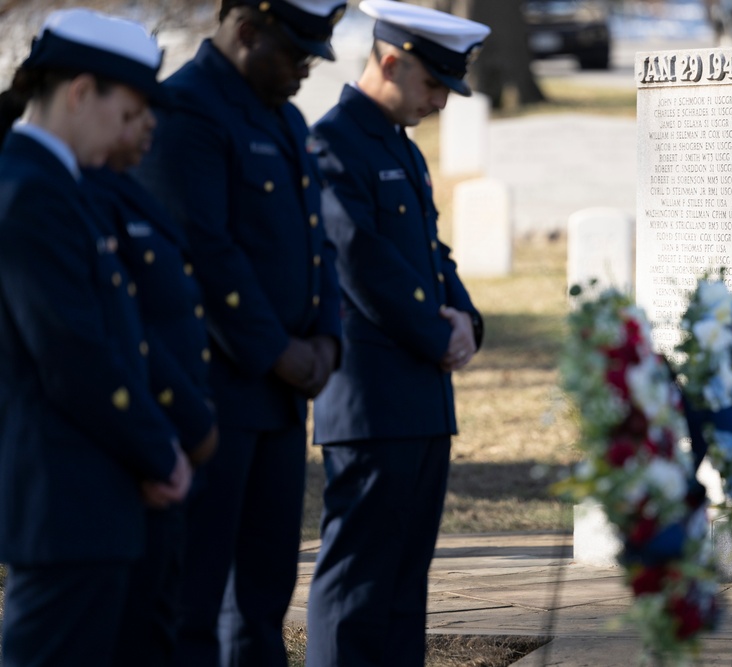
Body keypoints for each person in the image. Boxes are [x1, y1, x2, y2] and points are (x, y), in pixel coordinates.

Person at [134, 1, 346, 664]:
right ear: (247, 31)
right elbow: (204, 249)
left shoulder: (283, 115)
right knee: (197, 602)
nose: (304, 72)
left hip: (281, 398)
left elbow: (320, 244)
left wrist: (328, 339)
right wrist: (277, 349)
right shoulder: (186, 111)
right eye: (294, 55)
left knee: (262, 596)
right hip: (216, 393)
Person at [0, 9, 192, 666]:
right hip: (64, 506)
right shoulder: (30, 190)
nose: (128, 134)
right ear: (81, 92)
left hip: (95, 500)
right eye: (127, 111)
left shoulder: (64, 185)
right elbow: (72, 352)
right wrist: (158, 450)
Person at [306, 2, 488, 665]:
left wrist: (466, 318)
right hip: (371, 398)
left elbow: (430, 252)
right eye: (434, 84)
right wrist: (434, 332)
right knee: (357, 578)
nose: (441, 101)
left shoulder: (396, 145)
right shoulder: (334, 142)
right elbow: (359, 258)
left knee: (405, 583)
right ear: (390, 61)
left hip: (418, 395)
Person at [84, 98, 220, 667]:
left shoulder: (129, 187)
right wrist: (175, 436)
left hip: (168, 442)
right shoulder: (68, 194)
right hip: (129, 457)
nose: (149, 128)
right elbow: (99, 343)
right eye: (136, 113)